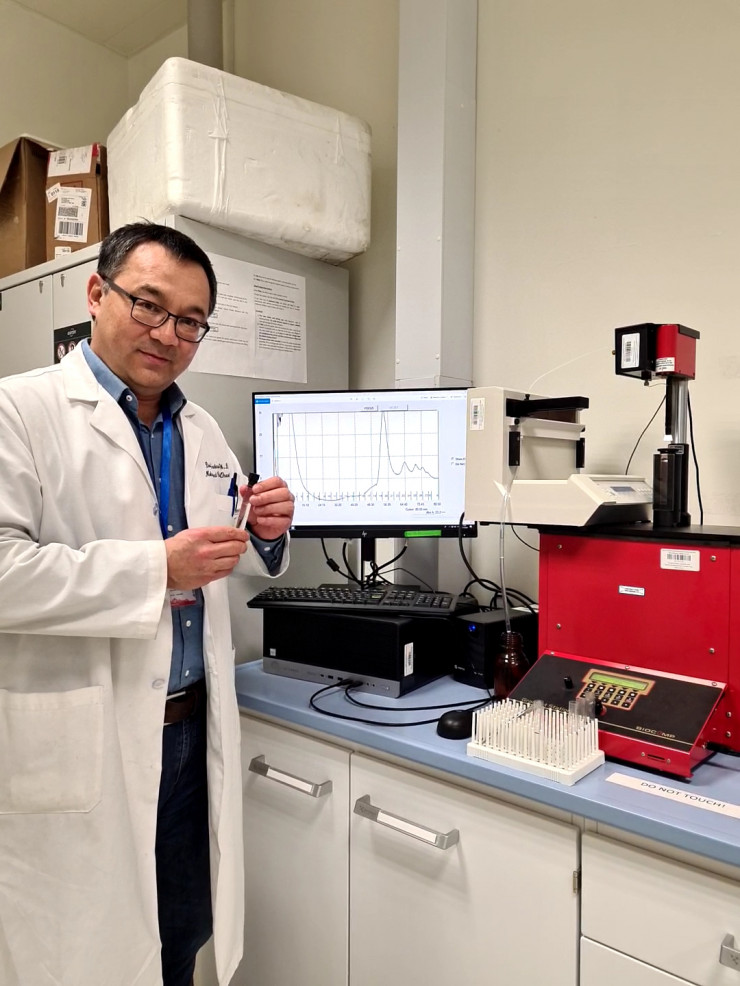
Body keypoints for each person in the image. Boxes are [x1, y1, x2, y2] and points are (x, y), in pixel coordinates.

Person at [0, 222, 295, 986]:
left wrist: (267, 534)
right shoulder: (19, 412)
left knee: (181, 934)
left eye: (191, 321)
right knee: (84, 955)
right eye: (149, 305)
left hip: (190, 733)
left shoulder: (202, 429)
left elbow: (225, 545)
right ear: (97, 293)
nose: (169, 334)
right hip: (85, 736)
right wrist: (155, 570)